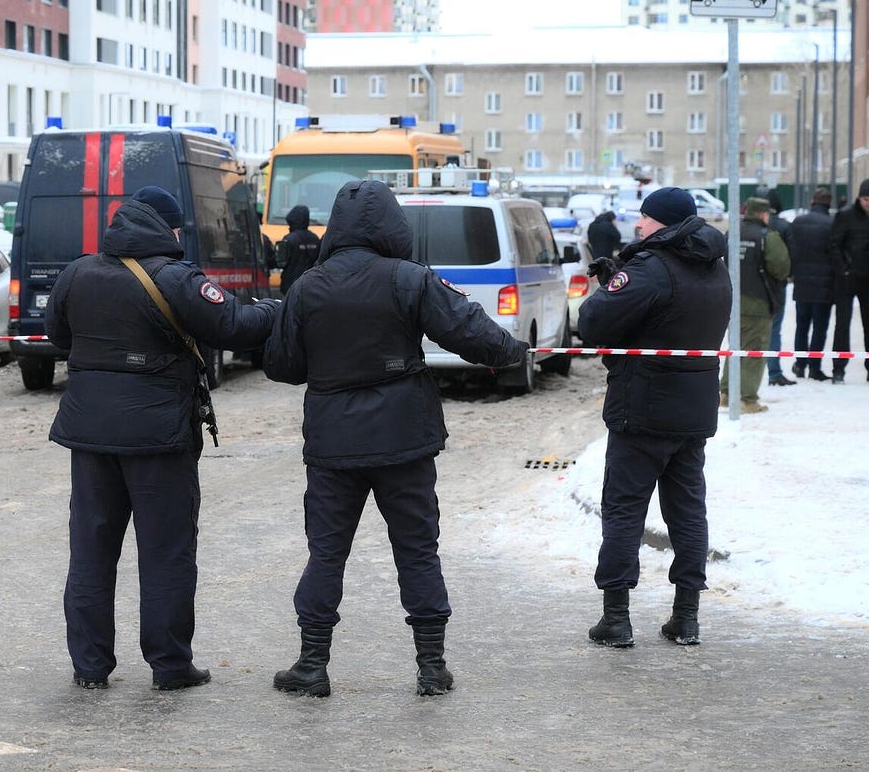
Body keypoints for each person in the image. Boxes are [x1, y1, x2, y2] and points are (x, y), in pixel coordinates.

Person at [262, 180, 528, 697]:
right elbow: (470, 333)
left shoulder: (308, 287)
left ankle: (312, 666)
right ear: (392, 225)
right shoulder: (410, 279)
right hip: (404, 437)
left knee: (326, 554)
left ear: (334, 226)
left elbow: (282, 365)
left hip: (333, 442)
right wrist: (514, 352)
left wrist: (327, 365)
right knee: (417, 551)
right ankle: (432, 668)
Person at [45, 185, 278, 691]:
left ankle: (89, 667)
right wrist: (274, 310)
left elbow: (58, 340)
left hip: (89, 436)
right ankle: (170, 666)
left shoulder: (77, 273)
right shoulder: (176, 277)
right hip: (159, 439)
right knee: (166, 552)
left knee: (90, 551)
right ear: (168, 227)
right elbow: (233, 326)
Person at [577, 186, 732, 648]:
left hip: (642, 408)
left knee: (623, 509)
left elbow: (592, 323)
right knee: (688, 511)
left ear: (661, 222)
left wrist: (611, 284)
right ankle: (686, 616)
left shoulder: (652, 266)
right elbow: (672, 320)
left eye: (644, 219)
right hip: (694, 409)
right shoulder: (715, 267)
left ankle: (616, 617)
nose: (638, 226)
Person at [720, 198, 790, 413]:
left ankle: (726, 393)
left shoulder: (732, 233)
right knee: (755, 349)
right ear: (763, 214)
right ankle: (748, 399)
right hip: (759, 302)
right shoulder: (768, 237)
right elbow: (781, 268)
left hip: (733, 300)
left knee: (735, 347)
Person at [829, 179, 869, 384]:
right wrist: (843, 270)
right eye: (866, 199)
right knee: (842, 324)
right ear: (859, 198)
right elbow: (834, 245)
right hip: (847, 278)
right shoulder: (845, 215)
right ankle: (839, 368)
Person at [788, 188, 837, 381]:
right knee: (819, 327)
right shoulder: (832, 224)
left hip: (801, 283)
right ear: (828, 204)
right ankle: (815, 367)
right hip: (824, 285)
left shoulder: (797, 222)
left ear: (812, 202)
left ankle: (800, 365)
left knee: (801, 326)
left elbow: (791, 249)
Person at [763, 191, 796, 386]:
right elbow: (792, 256)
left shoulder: (747, 227)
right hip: (777, 286)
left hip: (753, 287)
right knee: (774, 330)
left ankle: (740, 375)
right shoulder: (784, 227)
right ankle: (774, 372)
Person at [278, 204, 320, 294]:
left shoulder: (288, 239)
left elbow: (280, 261)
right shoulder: (315, 239)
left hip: (290, 284)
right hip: (310, 283)